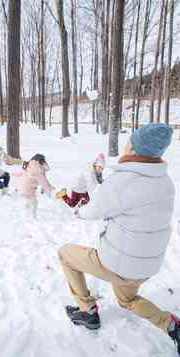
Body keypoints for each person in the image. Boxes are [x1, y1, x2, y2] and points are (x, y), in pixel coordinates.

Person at [58, 123, 180, 354]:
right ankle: (172, 325)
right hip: (146, 265)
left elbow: (92, 211)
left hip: (118, 264)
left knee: (65, 254)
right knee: (128, 300)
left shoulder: (122, 181)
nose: (125, 144)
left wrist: (78, 211)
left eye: (129, 141)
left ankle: (87, 311)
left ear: (134, 149)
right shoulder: (165, 182)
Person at [12, 153, 54, 218]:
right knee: (34, 203)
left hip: (21, 187)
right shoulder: (38, 171)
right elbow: (44, 183)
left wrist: (11, 174)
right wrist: (50, 191)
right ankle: (32, 217)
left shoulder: (29, 166)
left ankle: (26, 213)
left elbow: (20, 173)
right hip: (28, 190)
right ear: (42, 161)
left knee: (28, 201)